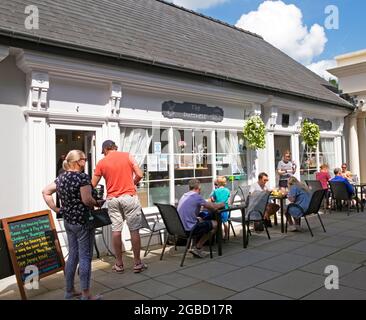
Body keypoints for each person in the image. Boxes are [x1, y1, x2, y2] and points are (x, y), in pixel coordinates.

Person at [42, 150, 103, 300]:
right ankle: (86, 294)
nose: (86, 161)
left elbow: (45, 192)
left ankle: (69, 291)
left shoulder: (61, 177)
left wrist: (56, 209)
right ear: (78, 162)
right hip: (82, 222)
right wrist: (97, 203)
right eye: (84, 159)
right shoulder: (82, 177)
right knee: (85, 257)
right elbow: (87, 200)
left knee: (73, 256)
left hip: (69, 222)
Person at [91, 140, 146, 273]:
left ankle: (119, 264)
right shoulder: (127, 156)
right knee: (134, 230)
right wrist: (132, 183)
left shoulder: (101, 162)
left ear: (105, 149)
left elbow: (92, 184)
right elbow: (140, 174)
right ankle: (137, 263)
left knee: (116, 231)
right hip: (129, 197)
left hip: (112, 199)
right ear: (114, 147)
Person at [177, 179, 224, 258]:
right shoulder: (196, 197)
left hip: (180, 228)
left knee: (201, 218)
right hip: (189, 229)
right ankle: (198, 247)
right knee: (215, 224)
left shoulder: (184, 195)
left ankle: (195, 246)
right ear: (198, 188)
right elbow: (213, 207)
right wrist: (222, 204)